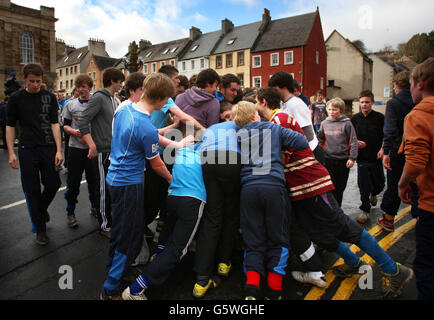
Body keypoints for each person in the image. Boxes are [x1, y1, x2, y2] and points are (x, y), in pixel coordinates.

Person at [100, 73, 174, 300]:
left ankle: (119, 273)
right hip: (128, 184)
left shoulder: (124, 109)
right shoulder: (145, 126)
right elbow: (157, 164)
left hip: (114, 178)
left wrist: (175, 141)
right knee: (127, 236)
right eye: (167, 100)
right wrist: (174, 181)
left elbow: (147, 136)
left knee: (121, 232)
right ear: (161, 100)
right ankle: (111, 288)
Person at [232, 101, 309, 300]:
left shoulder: (237, 134)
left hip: (248, 188)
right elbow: (302, 142)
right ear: (253, 116)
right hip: (274, 187)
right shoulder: (272, 128)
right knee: (278, 237)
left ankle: (252, 287)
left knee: (252, 238)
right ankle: (274, 290)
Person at [256, 87, 329, 288]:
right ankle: (313, 268)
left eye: (256, 101)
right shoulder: (277, 120)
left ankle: (314, 269)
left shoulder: (277, 120)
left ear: (262, 101)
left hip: (294, 179)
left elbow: (297, 144)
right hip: (290, 180)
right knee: (295, 225)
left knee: (294, 225)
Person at [121, 132, 206, 300]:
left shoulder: (182, 150)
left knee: (168, 228)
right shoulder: (207, 154)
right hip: (193, 200)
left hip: (173, 196)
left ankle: (158, 257)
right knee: (178, 250)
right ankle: (136, 289)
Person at [6, 63, 63, 245]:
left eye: (39, 81)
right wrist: (10, 153)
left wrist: (59, 150)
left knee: (54, 184)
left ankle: (41, 209)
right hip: (26, 149)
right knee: (31, 191)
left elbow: (55, 124)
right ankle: (40, 230)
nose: (36, 84)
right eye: (32, 81)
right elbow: (9, 126)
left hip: (48, 148)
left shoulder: (49, 98)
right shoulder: (15, 98)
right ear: (24, 79)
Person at [192, 116, 242, 298]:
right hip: (232, 160)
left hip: (208, 159)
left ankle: (201, 279)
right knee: (230, 215)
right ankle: (223, 263)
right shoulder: (244, 125)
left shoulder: (213, 127)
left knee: (212, 217)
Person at [398, 57, 434, 300]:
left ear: (419, 84)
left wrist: (403, 183)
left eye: (410, 83)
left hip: (431, 204)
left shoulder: (418, 115)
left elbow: (416, 163)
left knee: (428, 267)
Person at [78, 67, 125, 238]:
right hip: (102, 151)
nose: (121, 84)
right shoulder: (98, 98)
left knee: (111, 186)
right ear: (112, 81)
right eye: (120, 81)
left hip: (113, 150)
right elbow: (83, 120)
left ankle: (110, 219)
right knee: (103, 188)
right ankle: (105, 225)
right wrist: (92, 145)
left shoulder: (113, 99)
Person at [378, 71, 416, 232]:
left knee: (394, 184)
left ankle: (388, 220)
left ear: (397, 85)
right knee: (417, 184)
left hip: (398, 150)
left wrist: (386, 151)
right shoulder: (419, 101)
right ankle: (418, 215)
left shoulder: (394, 104)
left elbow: (390, 129)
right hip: (418, 150)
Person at [62, 74, 98, 228]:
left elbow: (101, 125)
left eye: (84, 86)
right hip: (75, 148)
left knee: (94, 181)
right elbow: (65, 125)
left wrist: (91, 139)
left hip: (92, 148)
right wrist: (73, 132)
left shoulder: (96, 103)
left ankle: (94, 207)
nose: (81, 90)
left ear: (90, 87)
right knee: (73, 182)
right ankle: (70, 212)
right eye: (79, 87)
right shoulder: (70, 105)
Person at [268, 71, 324, 164]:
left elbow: (308, 134)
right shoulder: (286, 104)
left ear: (284, 86)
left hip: (310, 154)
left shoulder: (296, 104)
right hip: (303, 154)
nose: (272, 91)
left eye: (274, 88)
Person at [351, 90, 385, 224]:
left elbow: (385, 136)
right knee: (363, 184)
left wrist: (383, 149)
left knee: (380, 183)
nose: (364, 105)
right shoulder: (354, 119)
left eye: (367, 102)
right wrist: (355, 143)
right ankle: (365, 210)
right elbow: (350, 137)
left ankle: (374, 193)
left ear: (372, 103)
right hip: (362, 158)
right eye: (362, 102)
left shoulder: (380, 118)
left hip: (376, 157)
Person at [318, 97, 358, 207]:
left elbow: (353, 142)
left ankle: (337, 209)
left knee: (340, 187)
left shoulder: (347, 124)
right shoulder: (324, 123)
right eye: (329, 109)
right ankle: (333, 210)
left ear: (340, 110)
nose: (331, 112)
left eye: (335, 109)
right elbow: (319, 139)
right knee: (330, 187)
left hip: (343, 160)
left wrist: (352, 158)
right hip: (328, 159)